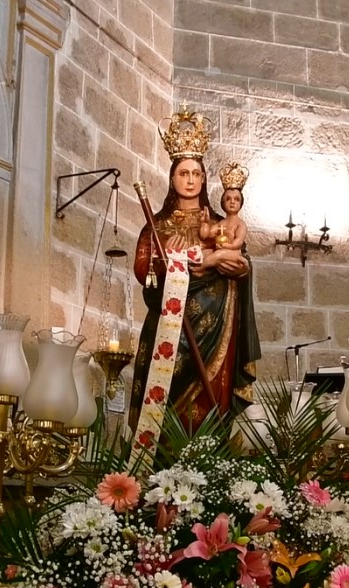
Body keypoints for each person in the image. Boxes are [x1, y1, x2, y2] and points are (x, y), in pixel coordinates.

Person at [129, 106, 261, 433]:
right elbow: (145, 266)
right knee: (163, 397)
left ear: (203, 179)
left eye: (196, 174)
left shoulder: (219, 225)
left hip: (216, 329)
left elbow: (241, 263)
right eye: (183, 173)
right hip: (169, 328)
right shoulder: (156, 226)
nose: (190, 180)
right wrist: (209, 260)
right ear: (172, 179)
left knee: (209, 404)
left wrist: (238, 268)